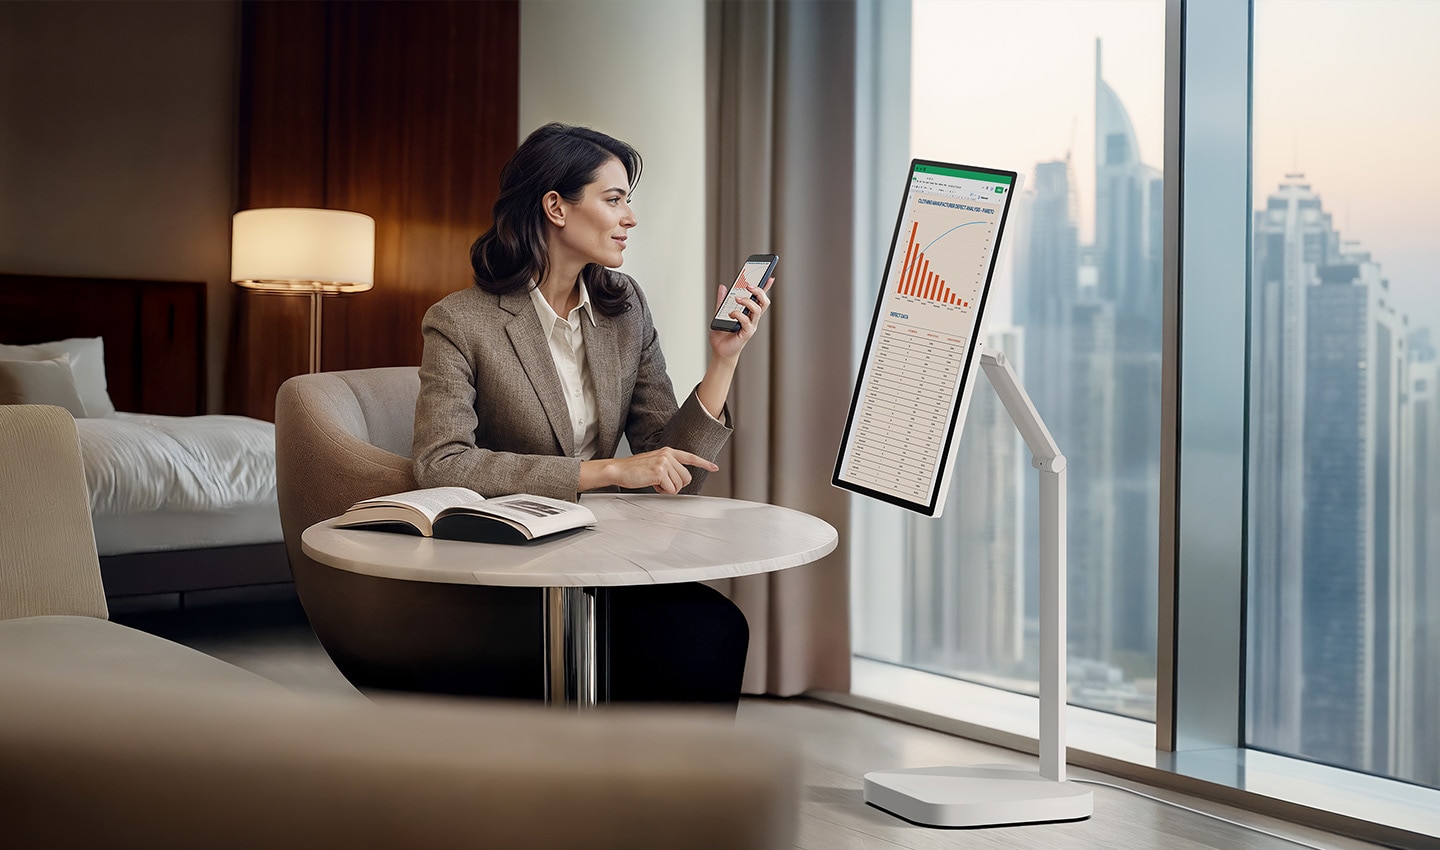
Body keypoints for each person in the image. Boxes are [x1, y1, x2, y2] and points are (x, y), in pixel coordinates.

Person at [411, 123, 772, 708]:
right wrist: (605, 472)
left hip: (604, 561)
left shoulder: (624, 308)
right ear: (555, 205)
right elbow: (440, 463)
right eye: (614, 199)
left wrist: (722, 362)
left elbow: (675, 470)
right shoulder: (460, 322)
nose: (629, 217)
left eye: (629, 201)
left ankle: (669, 798)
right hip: (511, 574)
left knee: (714, 629)